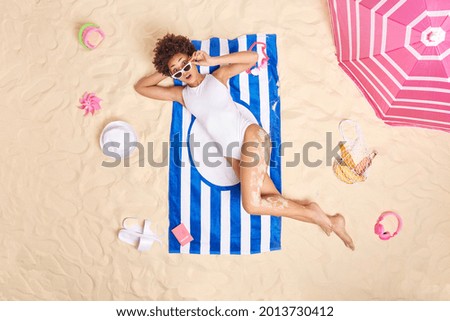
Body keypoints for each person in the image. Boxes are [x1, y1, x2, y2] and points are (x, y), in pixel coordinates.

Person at [135, 34, 355, 250]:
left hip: (250, 137)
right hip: (235, 157)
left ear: (192, 59)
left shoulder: (216, 77)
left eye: (185, 64)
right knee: (275, 201)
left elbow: (252, 58)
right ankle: (327, 218)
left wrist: (212, 61)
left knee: (252, 205)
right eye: (177, 71)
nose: (184, 72)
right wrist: (166, 68)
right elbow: (142, 87)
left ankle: (321, 216)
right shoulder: (182, 95)